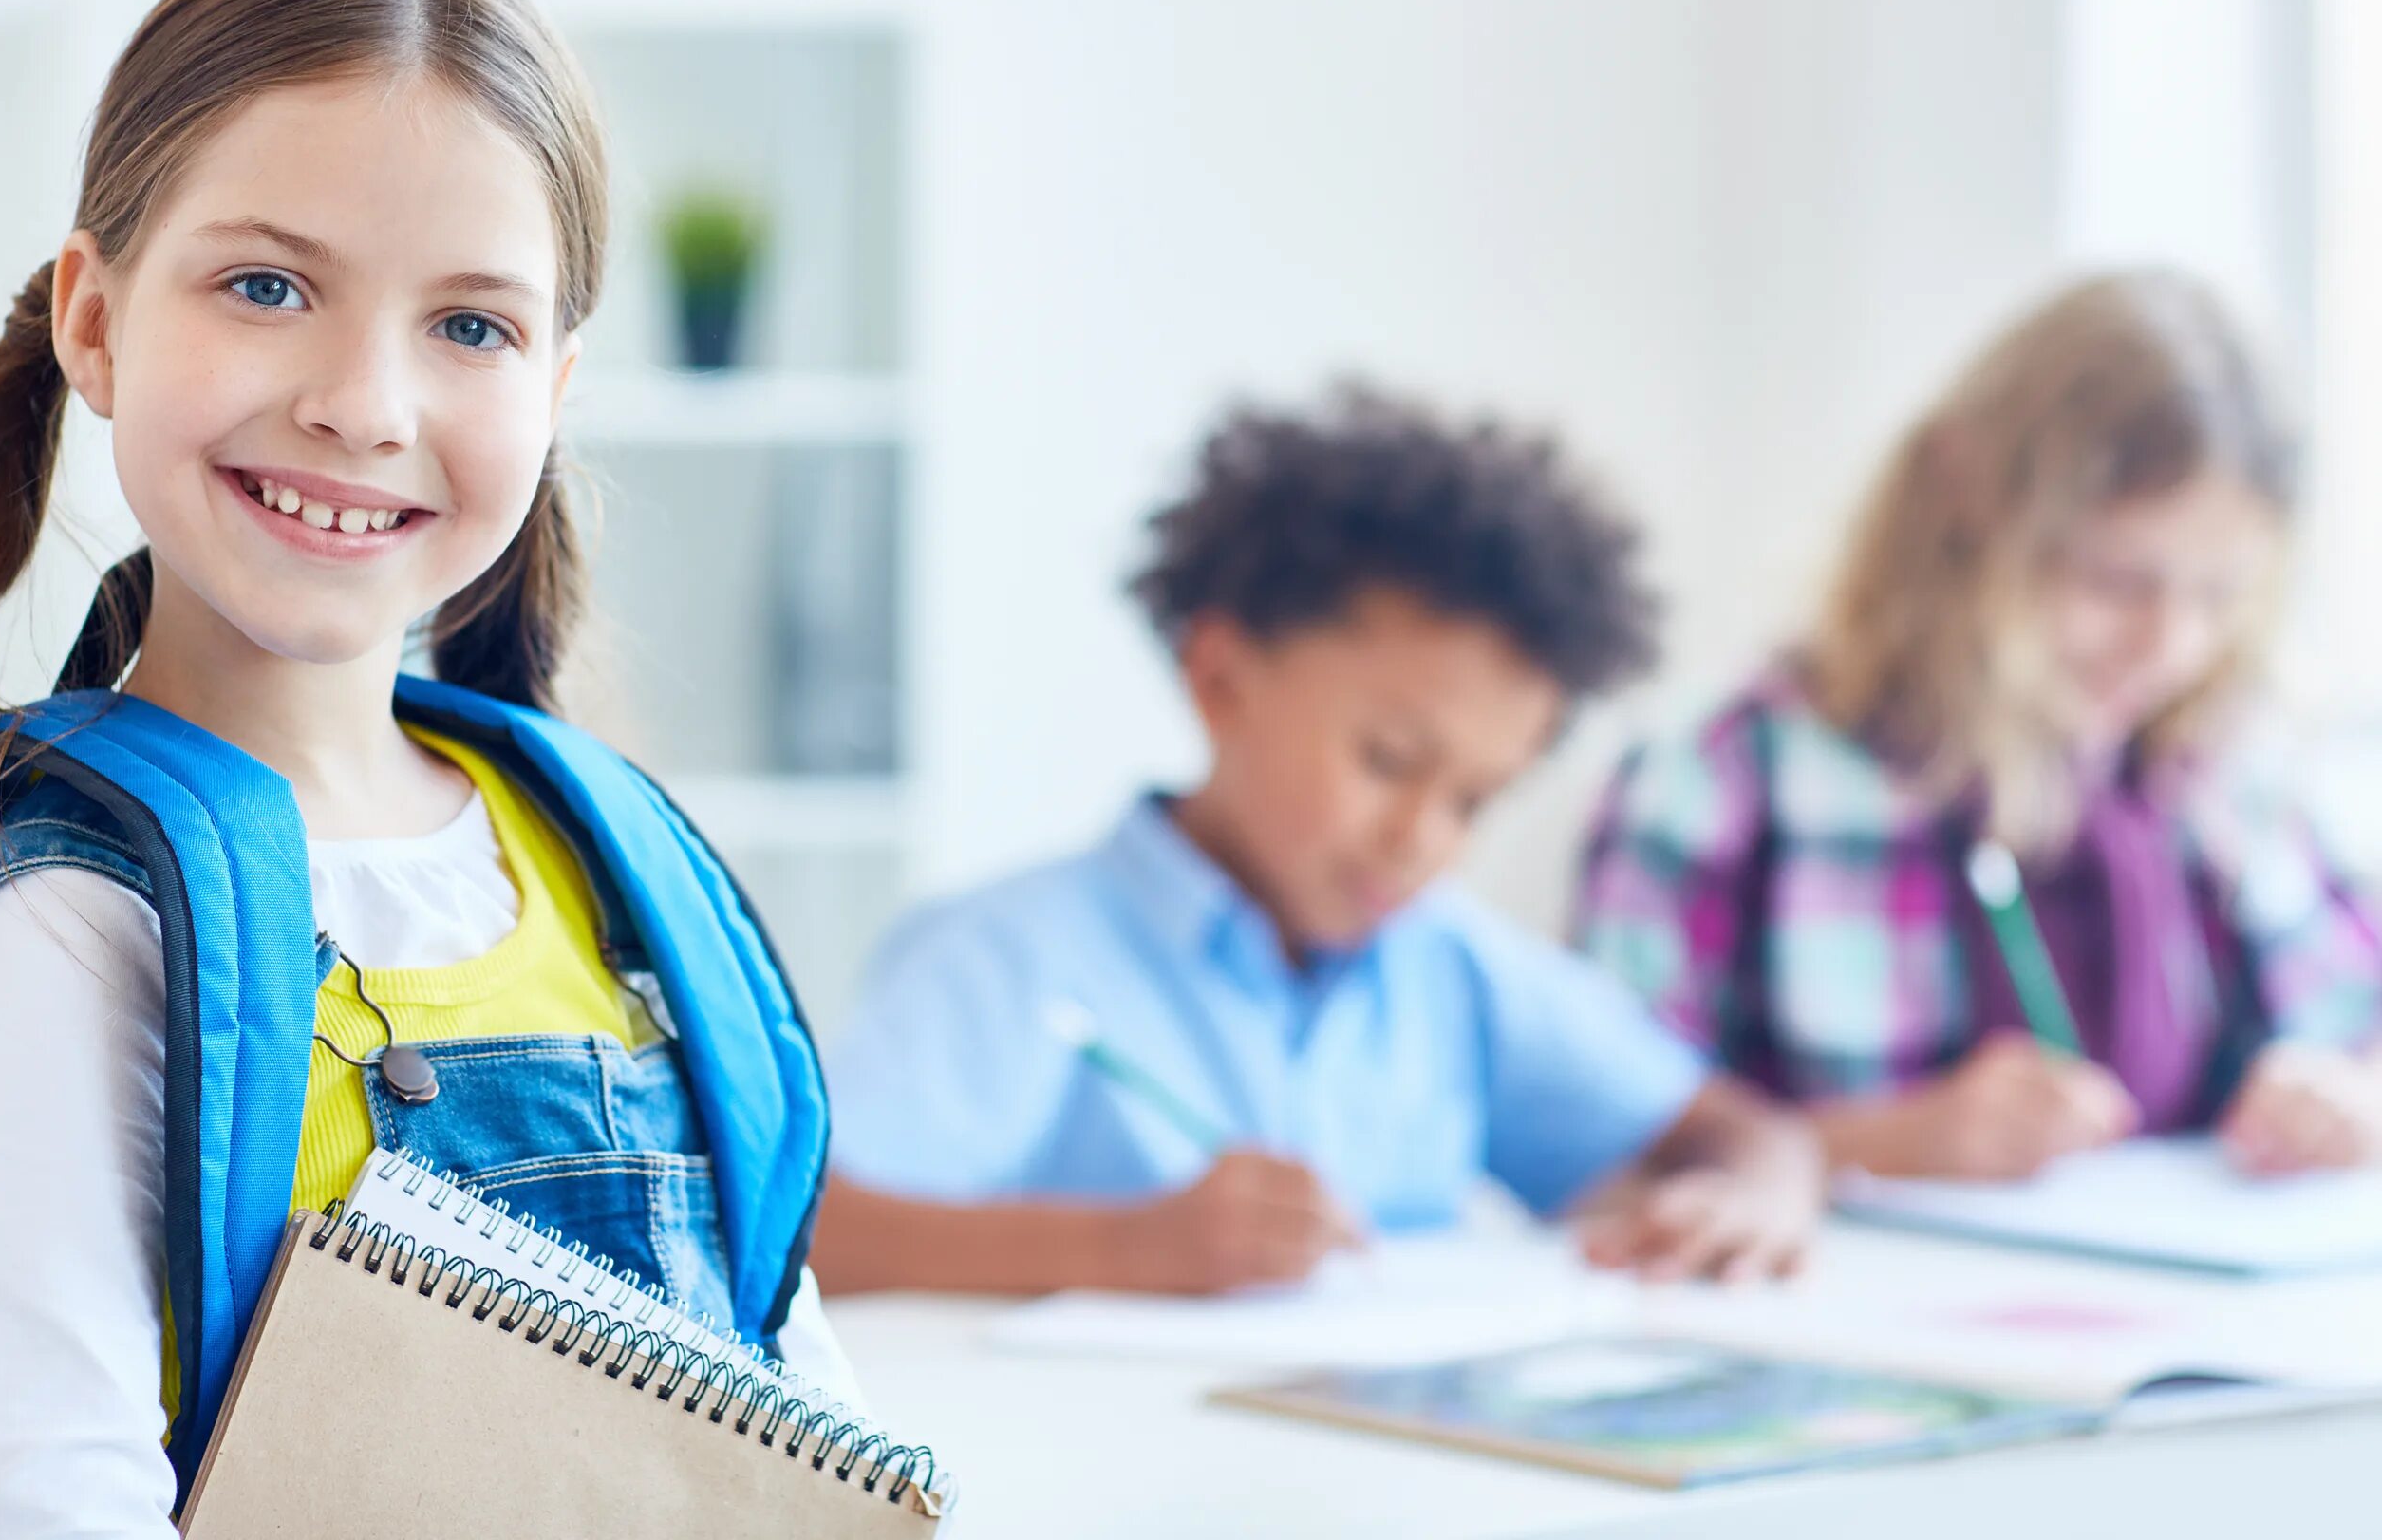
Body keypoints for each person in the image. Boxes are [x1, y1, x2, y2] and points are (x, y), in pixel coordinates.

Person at [0, 0, 844, 1537]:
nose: (365, 404)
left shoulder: (615, 855)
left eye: (472, 327)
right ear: (95, 321)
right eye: (267, 287)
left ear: (558, 388)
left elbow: (800, 1430)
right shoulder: (71, 908)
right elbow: (45, 1503)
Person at [814, 390, 1823, 1299]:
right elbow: (810, 1231)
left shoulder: (1449, 963)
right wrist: (1120, 1248)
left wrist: (1754, 1196)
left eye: (1474, 799)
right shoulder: (1006, 955)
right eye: (1387, 760)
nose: (1421, 835)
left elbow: (1742, 1131)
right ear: (1222, 680)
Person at [1577, 272, 2382, 1183]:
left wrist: (2346, 1101)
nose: (2168, 644)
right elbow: (1591, 1150)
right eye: (2114, 580)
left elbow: (2360, 1021)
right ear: (1967, 502)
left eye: (2219, 595)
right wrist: (1881, 1147)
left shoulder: (2228, 780)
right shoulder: (1722, 779)